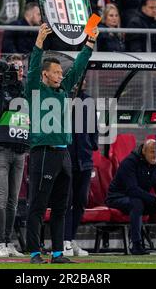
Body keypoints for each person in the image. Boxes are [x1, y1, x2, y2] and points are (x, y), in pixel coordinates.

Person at [25, 23, 99, 264]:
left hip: (63, 154)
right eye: (56, 72)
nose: (60, 75)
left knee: (60, 207)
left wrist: (89, 43)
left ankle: (58, 253)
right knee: (37, 205)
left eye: (60, 73)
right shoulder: (35, 88)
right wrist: (38, 43)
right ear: (45, 75)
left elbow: (77, 68)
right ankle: (35, 252)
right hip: (43, 153)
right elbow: (34, 66)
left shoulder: (64, 90)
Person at [0, 54, 29, 258]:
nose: (19, 71)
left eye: (21, 67)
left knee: (13, 201)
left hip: (19, 150)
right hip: (0, 149)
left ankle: (9, 242)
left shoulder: (26, 90)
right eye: (15, 67)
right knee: (1, 198)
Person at [106, 139, 156, 255]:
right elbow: (132, 190)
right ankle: (136, 246)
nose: (155, 155)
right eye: (152, 152)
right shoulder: (130, 162)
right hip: (117, 198)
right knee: (137, 202)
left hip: (139, 198)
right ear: (144, 151)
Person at [63, 80, 98, 257]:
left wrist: (92, 144)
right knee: (65, 201)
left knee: (80, 201)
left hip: (84, 159)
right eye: (80, 77)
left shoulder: (89, 101)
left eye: (85, 78)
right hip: (66, 157)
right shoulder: (61, 99)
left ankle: (70, 239)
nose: (83, 81)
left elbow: (94, 129)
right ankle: (64, 241)